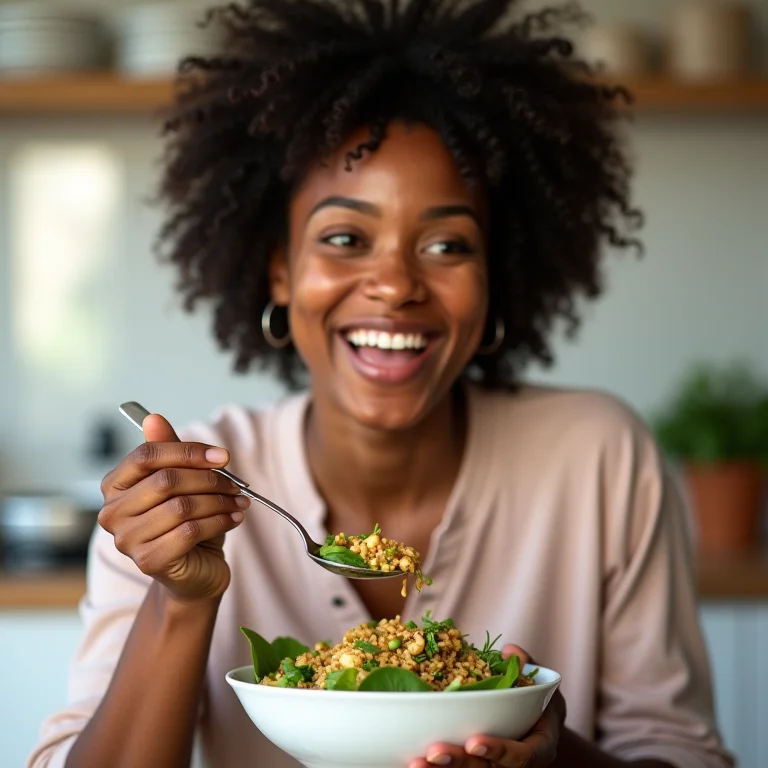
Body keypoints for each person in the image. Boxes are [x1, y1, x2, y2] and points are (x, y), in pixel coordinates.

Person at [29, 1, 734, 767]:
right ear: (280, 269)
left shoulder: (600, 457)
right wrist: (180, 599)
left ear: (495, 277)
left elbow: (684, 755)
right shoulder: (183, 494)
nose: (395, 285)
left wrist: (556, 759)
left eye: (446, 243)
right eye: (344, 238)